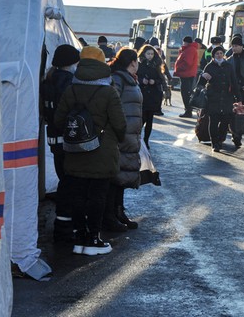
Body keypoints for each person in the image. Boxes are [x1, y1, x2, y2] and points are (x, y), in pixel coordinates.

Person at [53, 46, 127, 256]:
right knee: (97, 196)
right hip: (102, 151)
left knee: (77, 195)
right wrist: (114, 139)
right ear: (102, 65)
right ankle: (94, 240)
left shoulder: (71, 88)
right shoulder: (108, 91)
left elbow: (59, 120)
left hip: (75, 151)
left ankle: (80, 239)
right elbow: (120, 124)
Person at [40, 44, 81, 242]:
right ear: (71, 63)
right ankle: (65, 227)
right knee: (70, 185)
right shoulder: (69, 83)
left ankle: (62, 225)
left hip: (54, 140)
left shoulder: (48, 80)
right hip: (69, 141)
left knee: (63, 180)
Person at [106, 48, 143, 232]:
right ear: (132, 62)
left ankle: (118, 212)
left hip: (129, 135)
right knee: (116, 175)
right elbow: (114, 105)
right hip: (122, 135)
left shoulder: (128, 79)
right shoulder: (119, 79)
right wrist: (120, 130)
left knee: (121, 175)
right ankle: (111, 215)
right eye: (137, 62)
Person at [197, 46, 241, 152]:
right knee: (213, 121)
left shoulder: (228, 66)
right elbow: (200, 84)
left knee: (225, 121)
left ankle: (221, 139)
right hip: (213, 98)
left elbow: (234, 82)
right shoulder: (209, 66)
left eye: (221, 53)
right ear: (213, 56)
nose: (219, 55)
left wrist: (238, 98)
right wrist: (203, 76)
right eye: (217, 54)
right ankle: (214, 143)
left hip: (227, 98)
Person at [136, 44, 165, 146]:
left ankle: (146, 140)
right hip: (142, 94)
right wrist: (141, 80)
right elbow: (134, 76)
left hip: (153, 95)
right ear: (144, 54)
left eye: (152, 54)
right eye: (148, 53)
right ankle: (138, 138)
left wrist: (155, 81)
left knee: (150, 119)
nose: (150, 56)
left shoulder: (156, 65)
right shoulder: (139, 64)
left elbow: (161, 79)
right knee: (142, 118)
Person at [174, 35, 200, 118]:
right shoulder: (190, 49)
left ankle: (188, 110)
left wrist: (178, 68)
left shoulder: (189, 50)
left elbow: (187, 63)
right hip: (188, 73)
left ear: (186, 42)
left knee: (185, 93)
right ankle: (188, 110)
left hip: (186, 74)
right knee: (187, 92)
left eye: (184, 42)